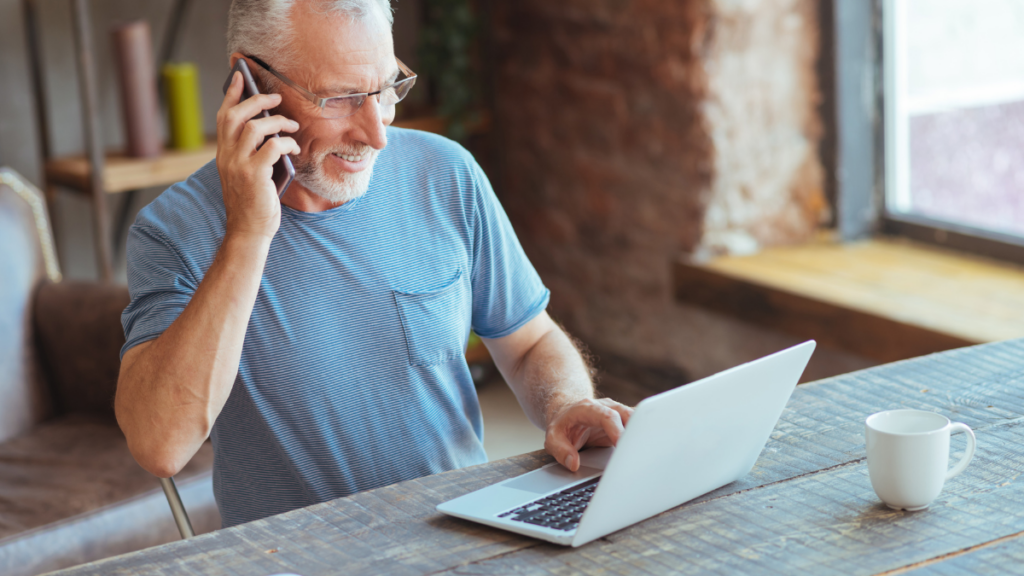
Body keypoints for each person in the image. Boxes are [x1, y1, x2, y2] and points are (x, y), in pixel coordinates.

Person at [114, 0, 632, 528]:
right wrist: (248, 232)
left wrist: (564, 404)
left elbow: (529, 342)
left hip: (464, 539)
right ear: (250, 83)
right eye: (339, 98)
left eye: (384, 89)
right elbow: (160, 446)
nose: (376, 134)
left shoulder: (446, 173)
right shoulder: (174, 230)